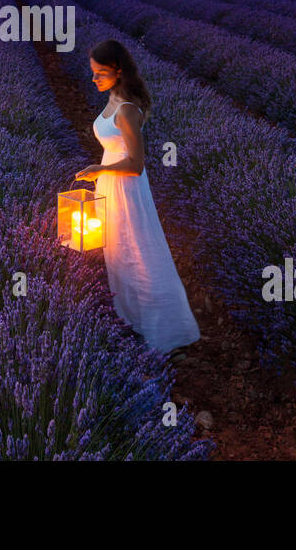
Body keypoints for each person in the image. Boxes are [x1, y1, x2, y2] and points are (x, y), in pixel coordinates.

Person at [74, 39, 200, 357]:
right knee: (118, 253)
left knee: (138, 253)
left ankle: (161, 329)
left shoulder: (127, 109)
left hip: (125, 187)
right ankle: (131, 319)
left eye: (100, 73)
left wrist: (96, 169)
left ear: (118, 71)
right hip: (110, 182)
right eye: (93, 73)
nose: (94, 79)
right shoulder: (113, 97)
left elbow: (136, 164)